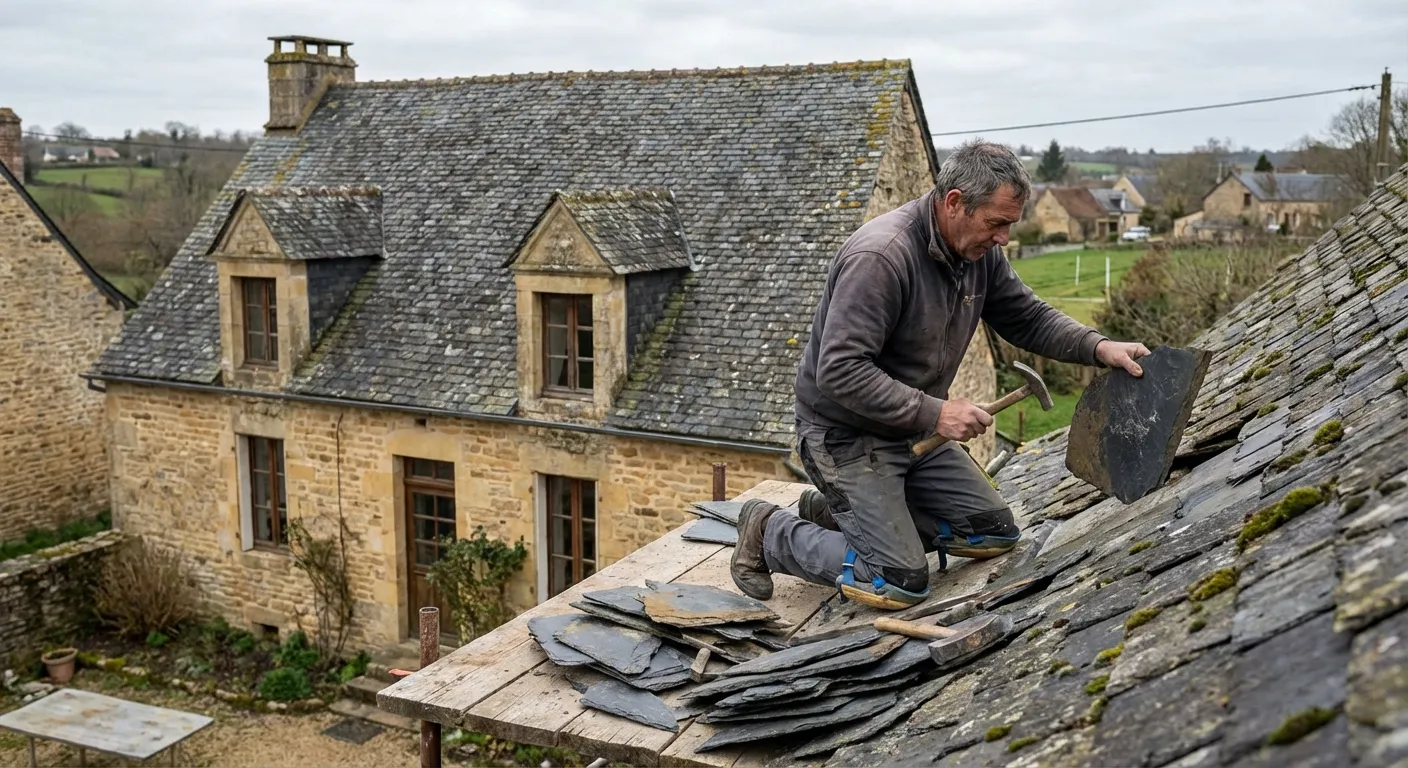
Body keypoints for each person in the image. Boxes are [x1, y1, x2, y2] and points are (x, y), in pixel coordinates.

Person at [731, 139, 1150, 610]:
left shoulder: (978, 254)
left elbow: (1026, 317)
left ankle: (833, 513)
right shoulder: (882, 258)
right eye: (997, 223)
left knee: (993, 532)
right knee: (898, 581)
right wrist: (936, 413)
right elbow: (839, 371)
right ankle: (770, 531)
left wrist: (1098, 347)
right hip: (844, 434)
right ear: (954, 203)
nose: (1004, 238)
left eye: (1010, 224)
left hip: (910, 429)